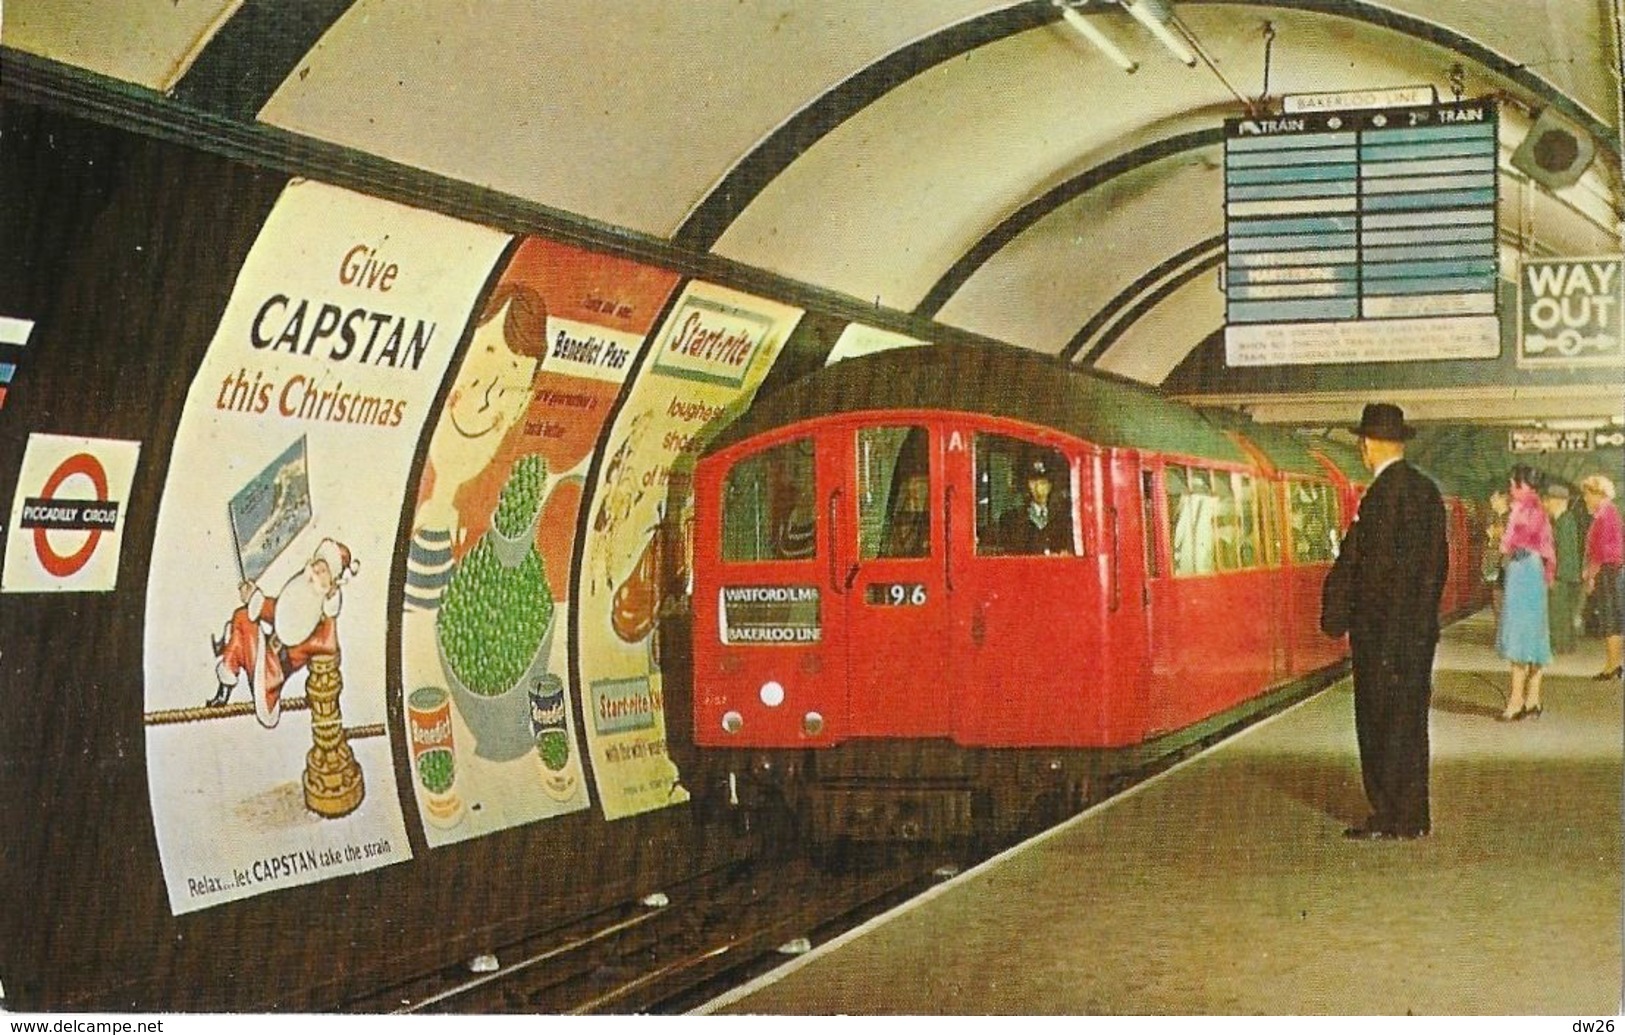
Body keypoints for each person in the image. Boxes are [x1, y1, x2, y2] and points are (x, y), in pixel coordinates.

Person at [1319, 403, 1448, 841]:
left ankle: (1389, 815)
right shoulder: (1426, 492)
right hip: (1416, 635)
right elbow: (1437, 566)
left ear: (1368, 445)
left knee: (1378, 724)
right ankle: (1413, 815)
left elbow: (1368, 569)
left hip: (1381, 635)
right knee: (1410, 723)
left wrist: (1347, 615)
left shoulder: (1379, 497)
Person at [406, 282, 548, 611]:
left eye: (505, 390)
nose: (483, 402)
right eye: (486, 354)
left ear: (520, 408)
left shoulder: (466, 542)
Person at [209, 538, 361, 729]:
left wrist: (330, 608)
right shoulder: (300, 595)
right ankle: (225, 688)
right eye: (315, 565)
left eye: (323, 571)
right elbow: (277, 612)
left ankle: (234, 673)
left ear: (331, 584)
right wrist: (254, 596)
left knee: (243, 624)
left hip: (273, 672)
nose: (315, 572)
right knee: (243, 616)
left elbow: (327, 646)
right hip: (264, 655)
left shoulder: (320, 620)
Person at [1496, 467, 1555, 720]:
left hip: (1522, 572)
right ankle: (1533, 698)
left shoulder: (1523, 511)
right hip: (1535, 572)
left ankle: (1516, 701)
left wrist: (1501, 534)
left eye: (1514, 485)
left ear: (1525, 487)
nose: (1511, 489)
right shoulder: (1540, 509)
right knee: (1535, 636)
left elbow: (1513, 543)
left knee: (1519, 636)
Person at [1580, 474, 1623, 681]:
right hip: (1610, 570)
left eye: (1587, 494)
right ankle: (1612, 664)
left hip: (1607, 571)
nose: (1586, 498)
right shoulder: (1607, 513)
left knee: (1609, 617)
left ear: (1598, 493)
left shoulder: (1605, 515)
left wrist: (1591, 575)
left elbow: (1602, 551)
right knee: (1610, 617)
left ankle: (1613, 666)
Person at [997, 455, 1073, 555]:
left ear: (1050, 485)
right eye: (1033, 482)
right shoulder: (1011, 519)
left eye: (1042, 482)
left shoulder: (1064, 519)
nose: (1037, 487)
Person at [1544, 482, 1582, 654]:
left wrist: (1556, 576)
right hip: (1566, 575)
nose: (1547, 505)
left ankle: (1560, 646)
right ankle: (1566, 646)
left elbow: (1564, 551)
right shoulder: (1564, 520)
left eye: (1549, 501)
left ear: (1558, 501)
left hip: (1563, 576)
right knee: (1564, 612)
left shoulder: (1564, 521)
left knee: (1559, 612)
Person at [880, 471, 931, 557]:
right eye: (909, 495)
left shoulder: (925, 524)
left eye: (915, 496)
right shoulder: (895, 524)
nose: (912, 502)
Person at [1482, 490, 1509, 623]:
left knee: (1505, 601)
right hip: (1494, 565)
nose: (1491, 502)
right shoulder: (1492, 517)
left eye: (1494, 498)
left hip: (1507, 565)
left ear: (1503, 498)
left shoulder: (1510, 517)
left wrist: (1497, 534)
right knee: (1497, 601)